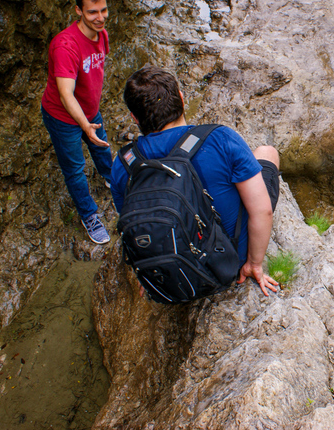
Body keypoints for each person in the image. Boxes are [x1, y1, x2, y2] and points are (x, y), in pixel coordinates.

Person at [110, 66, 281, 297]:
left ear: (135, 117)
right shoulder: (220, 138)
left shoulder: (123, 164)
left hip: (169, 274)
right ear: (181, 99)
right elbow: (263, 212)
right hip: (228, 264)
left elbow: (134, 223)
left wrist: (150, 266)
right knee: (267, 152)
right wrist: (254, 264)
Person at [41, 0, 113, 244]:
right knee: (75, 169)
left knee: (102, 149)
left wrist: (92, 115)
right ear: (78, 11)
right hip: (63, 118)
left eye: (103, 10)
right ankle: (89, 215)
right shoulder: (65, 46)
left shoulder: (101, 33)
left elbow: (94, 71)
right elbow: (65, 94)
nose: (100, 17)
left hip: (90, 111)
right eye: (93, 12)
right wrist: (85, 125)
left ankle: (112, 180)